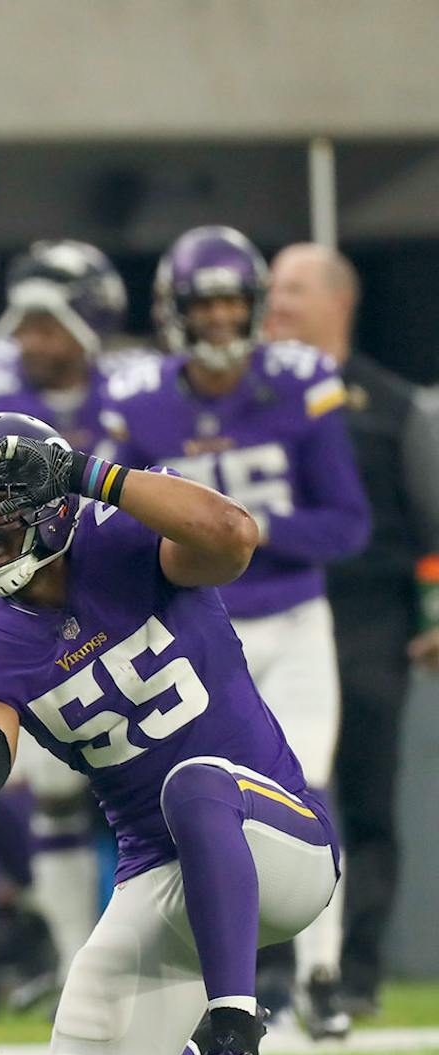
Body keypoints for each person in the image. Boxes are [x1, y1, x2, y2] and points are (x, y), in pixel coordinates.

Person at [0, 412, 339, 1055]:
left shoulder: (121, 532)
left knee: (195, 784)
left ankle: (236, 1039)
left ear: (52, 499)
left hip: (280, 846)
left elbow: (234, 537)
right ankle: (200, 1049)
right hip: (160, 878)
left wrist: (87, 472)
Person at [102, 225, 370, 1039]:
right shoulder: (137, 395)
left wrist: (234, 529)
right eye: (203, 303)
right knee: (188, 808)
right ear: (174, 311)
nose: (220, 318)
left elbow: (348, 526)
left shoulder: (304, 383)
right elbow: (113, 523)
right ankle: (209, 989)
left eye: (231, 301)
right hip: (193, 630)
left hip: (289, 617)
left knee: (307, 788)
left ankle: (319, 973)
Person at [0, 241, 134, 994]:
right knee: (47, 793)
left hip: (118, 598)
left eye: (47, 325)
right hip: (26, 603)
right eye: (25, 326)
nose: (30, 342)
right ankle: (66, 956)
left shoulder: (134, 391)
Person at [266, 242, 439, 1014]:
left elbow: (433, 519)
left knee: (364, 796)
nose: (275, 304)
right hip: (267, 613)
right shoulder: (253, 397)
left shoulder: (394, 405)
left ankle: (354, 971)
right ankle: (270, 970)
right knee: (263, 795)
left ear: (340, 300)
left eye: (293, 289)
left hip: (367, 622)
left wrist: (433, 612)